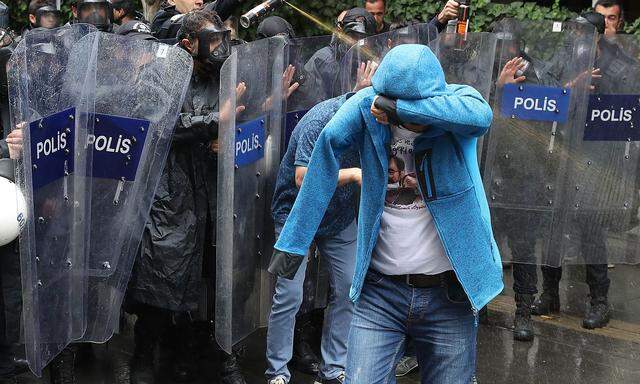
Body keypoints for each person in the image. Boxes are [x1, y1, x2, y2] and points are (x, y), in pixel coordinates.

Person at [269, 43, 500, 384]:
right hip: (380, 292)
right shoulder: (367, 105)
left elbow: (481, 117)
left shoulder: (458, 101)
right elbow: (323, 158)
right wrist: (293, 244)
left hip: (450, 293)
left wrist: (398, 109)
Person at [125, 9, 245, 384]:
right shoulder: (160, 73)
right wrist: (214, 122)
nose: (219, 48)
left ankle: (200, 353)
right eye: (212, 41)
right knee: (159, 279)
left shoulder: (221, 76)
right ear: (188, 42)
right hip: (170, 193)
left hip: (210, 189)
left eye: (222, 38)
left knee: (210, 277)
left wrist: (221, 136)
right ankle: (144, 357)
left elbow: (233, 119)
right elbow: (160, 125)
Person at [265, 92, 361, 384]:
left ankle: (334, 368)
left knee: (349, 288)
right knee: (289, 295)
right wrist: (354, 174)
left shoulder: (376, 121)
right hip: (296, 215)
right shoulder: (319, 120)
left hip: (338, 216)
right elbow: (302, 177)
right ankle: (277, 371)